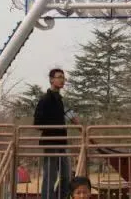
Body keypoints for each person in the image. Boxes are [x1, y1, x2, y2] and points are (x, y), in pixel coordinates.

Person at [34, 68, 75, 199]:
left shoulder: (60, 100)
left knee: (66, 176)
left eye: (63, 77)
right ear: (52, 80)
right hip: (51, 142)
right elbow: (37, 123)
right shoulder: (45, 99)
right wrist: (53, 126)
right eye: (59, 77)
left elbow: (70, 116)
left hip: (62, 142)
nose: (62, 80)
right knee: (50, 176)